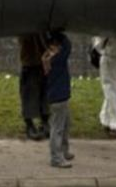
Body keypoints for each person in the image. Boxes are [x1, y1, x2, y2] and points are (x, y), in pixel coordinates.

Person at [43, 30, 74, 168]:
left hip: (59, 98)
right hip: (59, 99)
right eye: (57, 46)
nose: (60, 48)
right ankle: (56, 157)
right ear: (52, 48)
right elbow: (68, 45)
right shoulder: (57, 60)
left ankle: (63, 151)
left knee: (65, 125)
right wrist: (60, 33)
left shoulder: (47, 59)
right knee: (58, 128)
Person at [18, 34, 49, 141]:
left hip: (43, 62)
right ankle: (29, 124)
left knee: (44, 93)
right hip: (30, 62)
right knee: (28, 94)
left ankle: (44, 122)